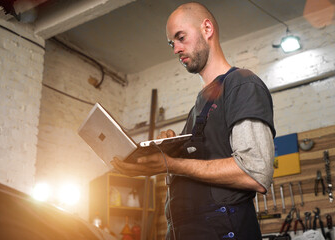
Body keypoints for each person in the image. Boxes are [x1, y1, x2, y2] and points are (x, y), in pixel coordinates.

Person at [111, 2, 275, 239]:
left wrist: (171, 164)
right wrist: (170, 152)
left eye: (180, 37)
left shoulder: (242, 84)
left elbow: (255, 172)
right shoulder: (198, 106)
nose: (176, 49)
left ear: (207, 29)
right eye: (172, 43)